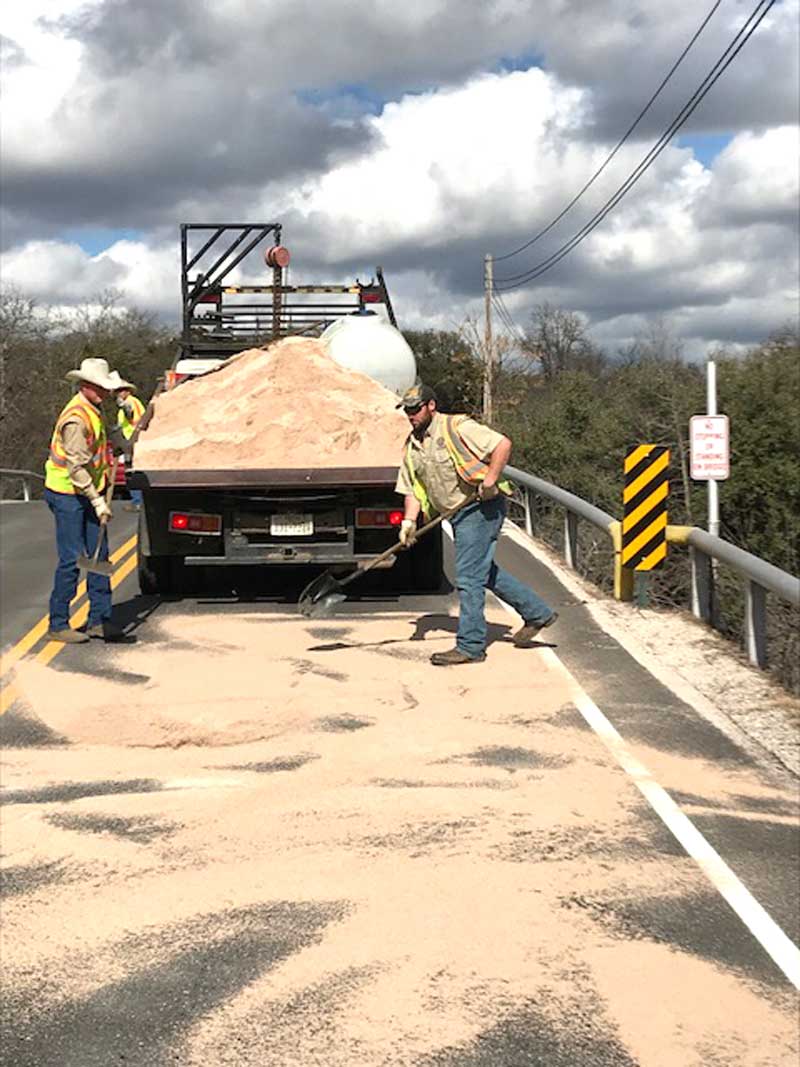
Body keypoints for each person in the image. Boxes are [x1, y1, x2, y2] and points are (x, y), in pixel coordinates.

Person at [395, 383, 557, 666]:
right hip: (454, 513)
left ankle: (470, 646)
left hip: (480, 508)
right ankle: (537, 613)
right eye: (408, 411)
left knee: (469, 577)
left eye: (416, 409)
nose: (412, 415)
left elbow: (502, 444)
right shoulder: (412, 447)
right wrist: (408, 522)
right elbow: (412, 488)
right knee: (483, 571)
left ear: (431, 406)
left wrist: (491, 479)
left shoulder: (456, 427)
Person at [43, 357, 124, 643]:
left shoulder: (95, 408)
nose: (105, 393)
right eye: (100, 388)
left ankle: (99, 620)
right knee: (73, 559)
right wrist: (98, 501)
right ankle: (58, 622)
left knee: (99, 556)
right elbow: (75, 469)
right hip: (67, 493)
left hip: (90, 490)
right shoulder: (75, 419)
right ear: (85, 385)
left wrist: (119, 441)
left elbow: (100, 445)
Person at [109, 370, 145, 508]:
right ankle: (137, 500)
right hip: (129, 440)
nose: (119, 394)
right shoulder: (129, 404)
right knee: (130, 471)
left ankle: (138, 502)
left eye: (120, 391)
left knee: (132, 472)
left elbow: (130, 416)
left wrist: (124, 407)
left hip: (133, 440)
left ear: (127, 391)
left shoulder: (131, 402)